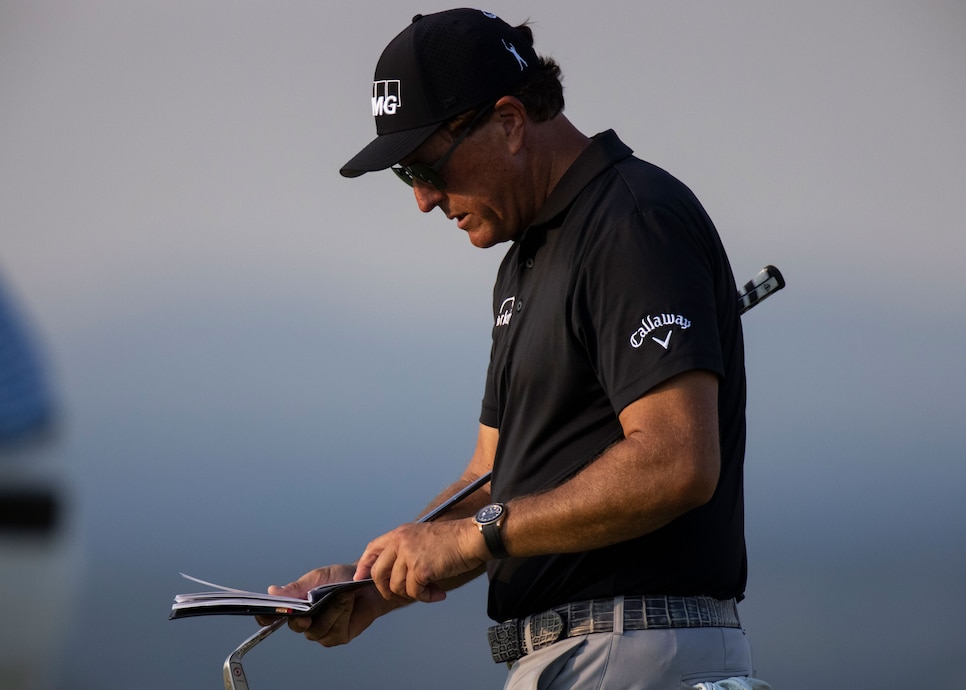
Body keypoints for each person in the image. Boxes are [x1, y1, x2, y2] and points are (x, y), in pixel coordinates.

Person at [263, 9, 769, 689]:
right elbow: (495, 477)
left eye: (425, 165)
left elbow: (677, 461)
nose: (422, 200)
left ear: (508, 120)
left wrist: (474, 536)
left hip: (637, 650)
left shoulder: (634, 222)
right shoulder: (524, 259)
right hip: (569, 658)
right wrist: (375, 584)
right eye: (403, 176)